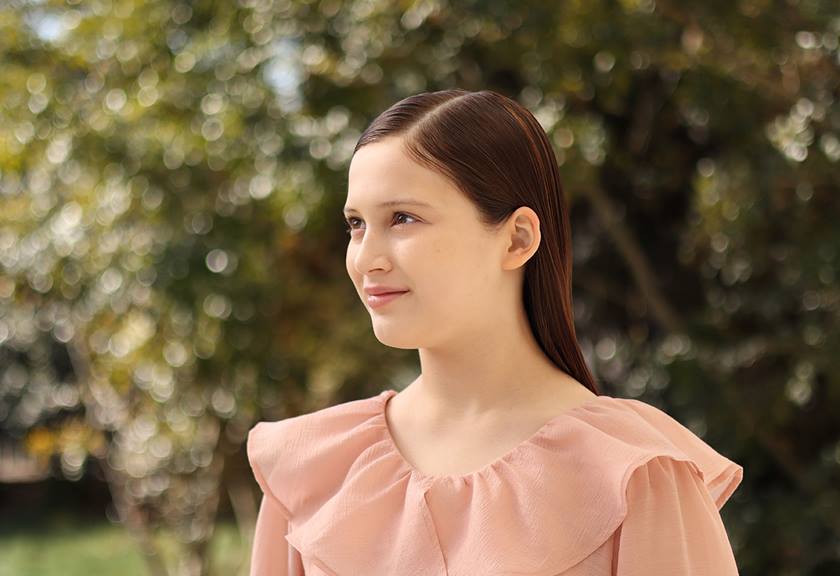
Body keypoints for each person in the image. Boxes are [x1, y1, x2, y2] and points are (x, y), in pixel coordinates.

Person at [246, 89, 744, 575]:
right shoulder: (310, 472)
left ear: (517, 238)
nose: (366, 258)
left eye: (403, 218)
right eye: (356, 224)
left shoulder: (632, 476)